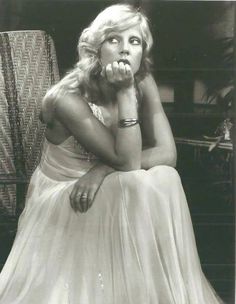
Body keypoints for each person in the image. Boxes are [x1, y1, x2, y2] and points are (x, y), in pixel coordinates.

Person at [0, 4, 224, 304]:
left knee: (165, 177)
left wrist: (100, 170)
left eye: (134, 42)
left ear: (143, 52)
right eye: (113, 39)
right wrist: (124, 93)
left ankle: (154, 296)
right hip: (65, 195)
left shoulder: (142, 80)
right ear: (95, 49)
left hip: (103, 182)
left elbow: (168, 154)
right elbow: (129, 163)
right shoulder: (66, 98)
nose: (124, 50)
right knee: (139, 182)